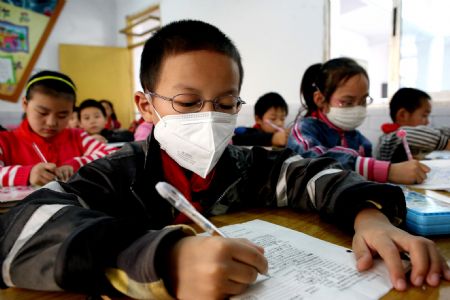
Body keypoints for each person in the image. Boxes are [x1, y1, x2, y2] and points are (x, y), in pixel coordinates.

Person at [0, 20, 449, 300]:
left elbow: (308, 173)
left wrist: (368, 216)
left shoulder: (243, 163)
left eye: (226, 102)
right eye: (188, 102)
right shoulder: (122, 170)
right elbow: (20, 229)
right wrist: (165, 260)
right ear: (146, 106)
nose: (209, 117)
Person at [287, 58, 430, 185]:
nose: (357, 108)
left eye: (363, 101)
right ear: (320, 100)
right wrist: (387, 171)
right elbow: (310, 159)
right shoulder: (303, 130)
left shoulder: (361, 141)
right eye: (347, 102)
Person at [0, 70, 116, 187]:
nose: (51, 123)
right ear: (25, 104)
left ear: (72, 111)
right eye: (42, 112)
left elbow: (111, 155)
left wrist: (75, 164)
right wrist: (28, 174)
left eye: (62, 115)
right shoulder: (4, 141)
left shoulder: (78, 137)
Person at [376, 87, 450, 162]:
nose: (427, 122)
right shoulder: (389, 139)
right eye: (424, 115)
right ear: (403, 115)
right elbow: (411, 134)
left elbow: (433, 132)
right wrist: (446, 143)